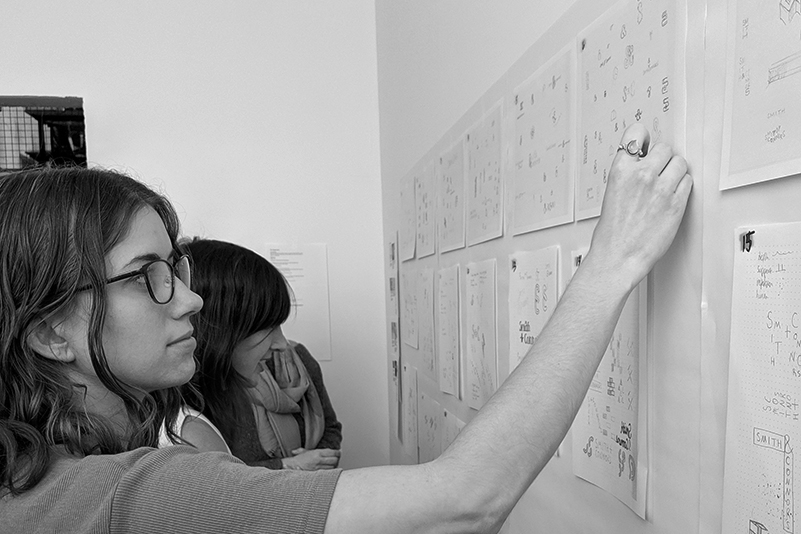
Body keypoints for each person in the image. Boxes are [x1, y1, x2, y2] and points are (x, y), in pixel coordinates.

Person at [0, 123, 691, 533]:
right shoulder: (125, 494)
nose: (189, 301)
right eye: (147, 274)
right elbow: (467, 497)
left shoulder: (53, 479)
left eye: (176, 266)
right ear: (50, 332)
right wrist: (610, 263)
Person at [177, 237, 342, 470]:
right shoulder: (186, 419)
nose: (282, 344)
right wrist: (286, 466)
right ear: (222, 330)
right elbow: (230, 483)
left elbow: (332, 427)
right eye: (268, 328)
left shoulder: (297, 359)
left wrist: (319, 460)